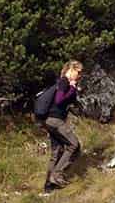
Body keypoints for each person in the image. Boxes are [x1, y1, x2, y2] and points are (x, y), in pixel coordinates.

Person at [33, 61, 83, 191]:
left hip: (49, 121)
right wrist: (72, 89)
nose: (79, 75)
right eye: (78, 72)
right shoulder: (64, 82)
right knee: (74, 145)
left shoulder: (63, 83)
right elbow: (59, 100)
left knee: (57, 152)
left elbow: (66, 103)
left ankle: (49, 186)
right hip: (55, 121)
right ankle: (57, 175)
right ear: (71, 70)